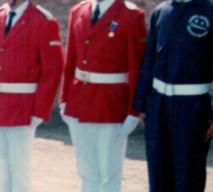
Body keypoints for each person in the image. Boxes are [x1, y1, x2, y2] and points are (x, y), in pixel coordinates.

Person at [132, 0, 213, 191]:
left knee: (188, 175)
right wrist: (142, 101)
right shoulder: (161, 12)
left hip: (191, 107)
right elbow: (149, 59)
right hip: (159, 105)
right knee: (158, 173)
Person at [61, 0, 147, 191]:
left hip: (111, 104)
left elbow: (137, 67)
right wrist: (64, 98)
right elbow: (71, 59)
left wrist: (133, 110)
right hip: (79, 101)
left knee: (109, 174)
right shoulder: (79, 10)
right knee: (86, 171)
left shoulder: (131, 15)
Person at [0, 0, 61, 191]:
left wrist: (39, 110)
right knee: (1, 165)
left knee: (19, 168)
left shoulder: (42, 20)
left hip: (22, 106)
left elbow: (53, 69)